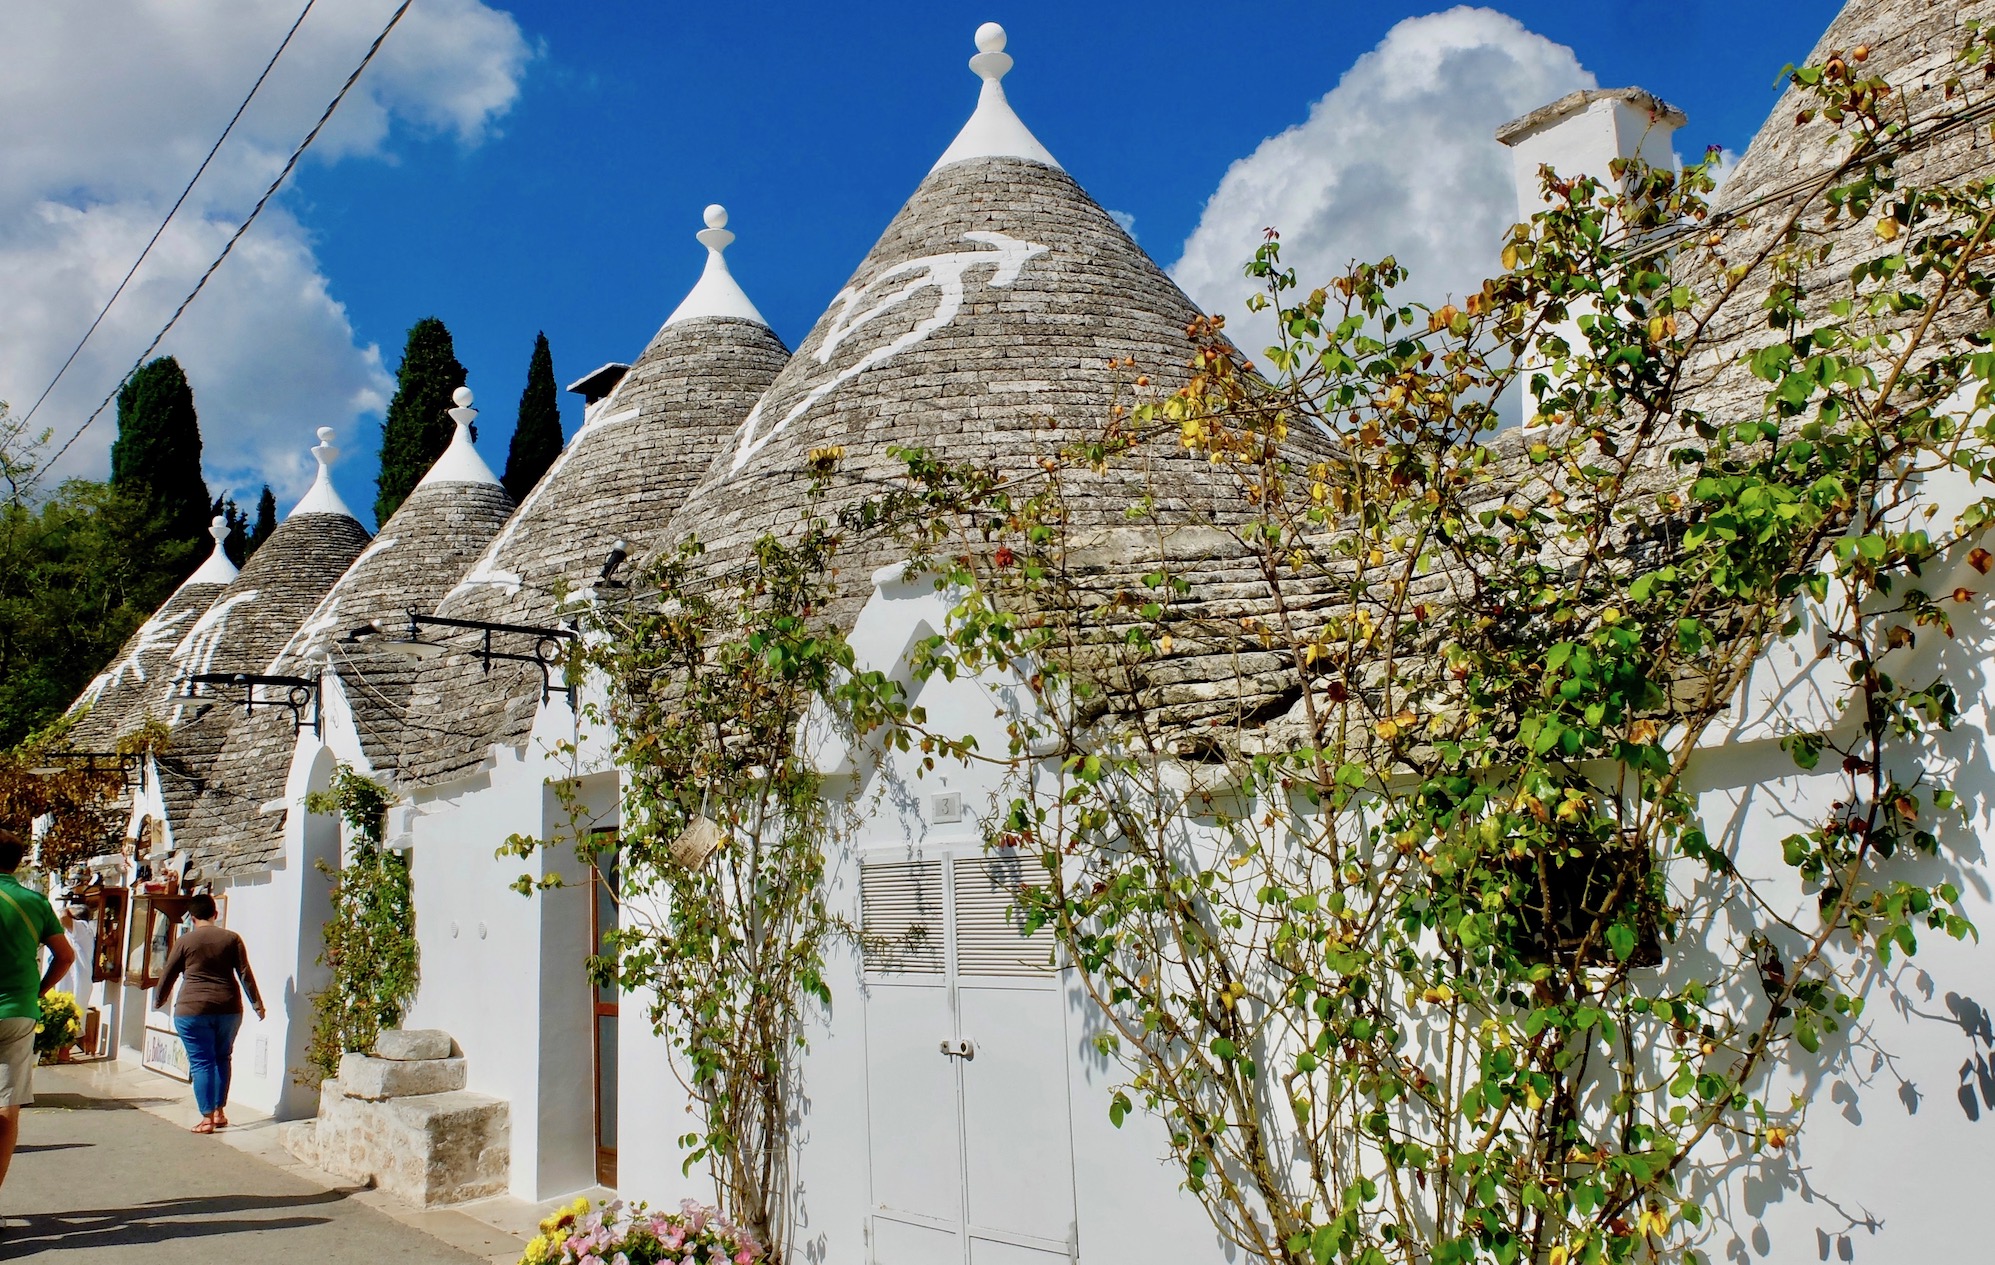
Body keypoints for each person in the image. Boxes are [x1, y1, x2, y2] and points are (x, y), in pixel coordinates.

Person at [0, 827, 76, 1195]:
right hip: (17, 1011)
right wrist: (37, 992)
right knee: (5, 1108)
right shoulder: (34, 902)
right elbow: (65, 956)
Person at [151, 893, 263, 1133]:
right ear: (216, 913)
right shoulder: (232, 938)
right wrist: (257, 1004)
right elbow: (245, 973)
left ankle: (206, 1117)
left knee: (202, 1062)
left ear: (192, 918)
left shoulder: (185, 942)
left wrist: (159, 1000)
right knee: (223, 1058)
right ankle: (220, 1112)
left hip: (192, 1010)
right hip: (229, 1008)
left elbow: (168, 973)